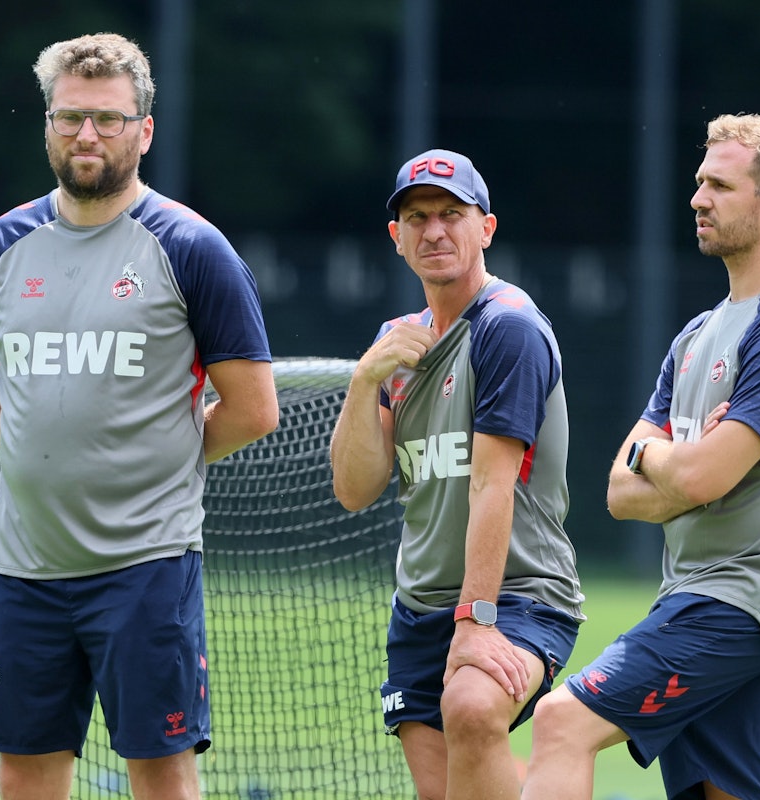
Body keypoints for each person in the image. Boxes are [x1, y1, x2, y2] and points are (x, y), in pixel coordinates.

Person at [0, 33, 279, 800]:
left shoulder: (191, 248)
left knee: (160, 774)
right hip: (23, 571)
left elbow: (254, 408)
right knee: (22, 772)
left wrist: (155, 463)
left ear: (144, 130)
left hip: (146, 567)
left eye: (106, 119)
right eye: (69, 118)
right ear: (47, 125)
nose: (86, 135)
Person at [520, 113, 760, 800]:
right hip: (693, 594)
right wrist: (671, 463)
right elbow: (619, 492)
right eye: (699, 182)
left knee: (560, 722)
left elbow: (701, 475)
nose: (697, 199)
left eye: (718, 186)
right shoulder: (697, 334)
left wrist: (663, 458)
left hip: (740, 602)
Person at [329, 148, 585, 800]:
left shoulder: (507, 328)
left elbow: (490, 483)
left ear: (485, 228)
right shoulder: (398, 341)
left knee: (472, 708)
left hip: (517, 595)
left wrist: (476, 621)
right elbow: (355, 490)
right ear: (395, 237)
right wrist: (364, 381)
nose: (433, 230)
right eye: (416, 217)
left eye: (450, 213)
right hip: (418, 609)